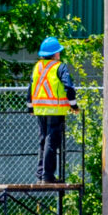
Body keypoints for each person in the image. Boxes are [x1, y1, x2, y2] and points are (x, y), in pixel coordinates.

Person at [28, 37, 78, 185]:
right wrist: (74, 105)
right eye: (59, 52)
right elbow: (69, 87)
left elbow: (30, 88)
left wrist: (30, 107)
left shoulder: (37, 67)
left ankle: (41, 174)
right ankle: (48, 176)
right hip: (55, 110)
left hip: (40, 109)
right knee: (51, 142)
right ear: (55, 53)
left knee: (43, 141)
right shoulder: (59, 67)